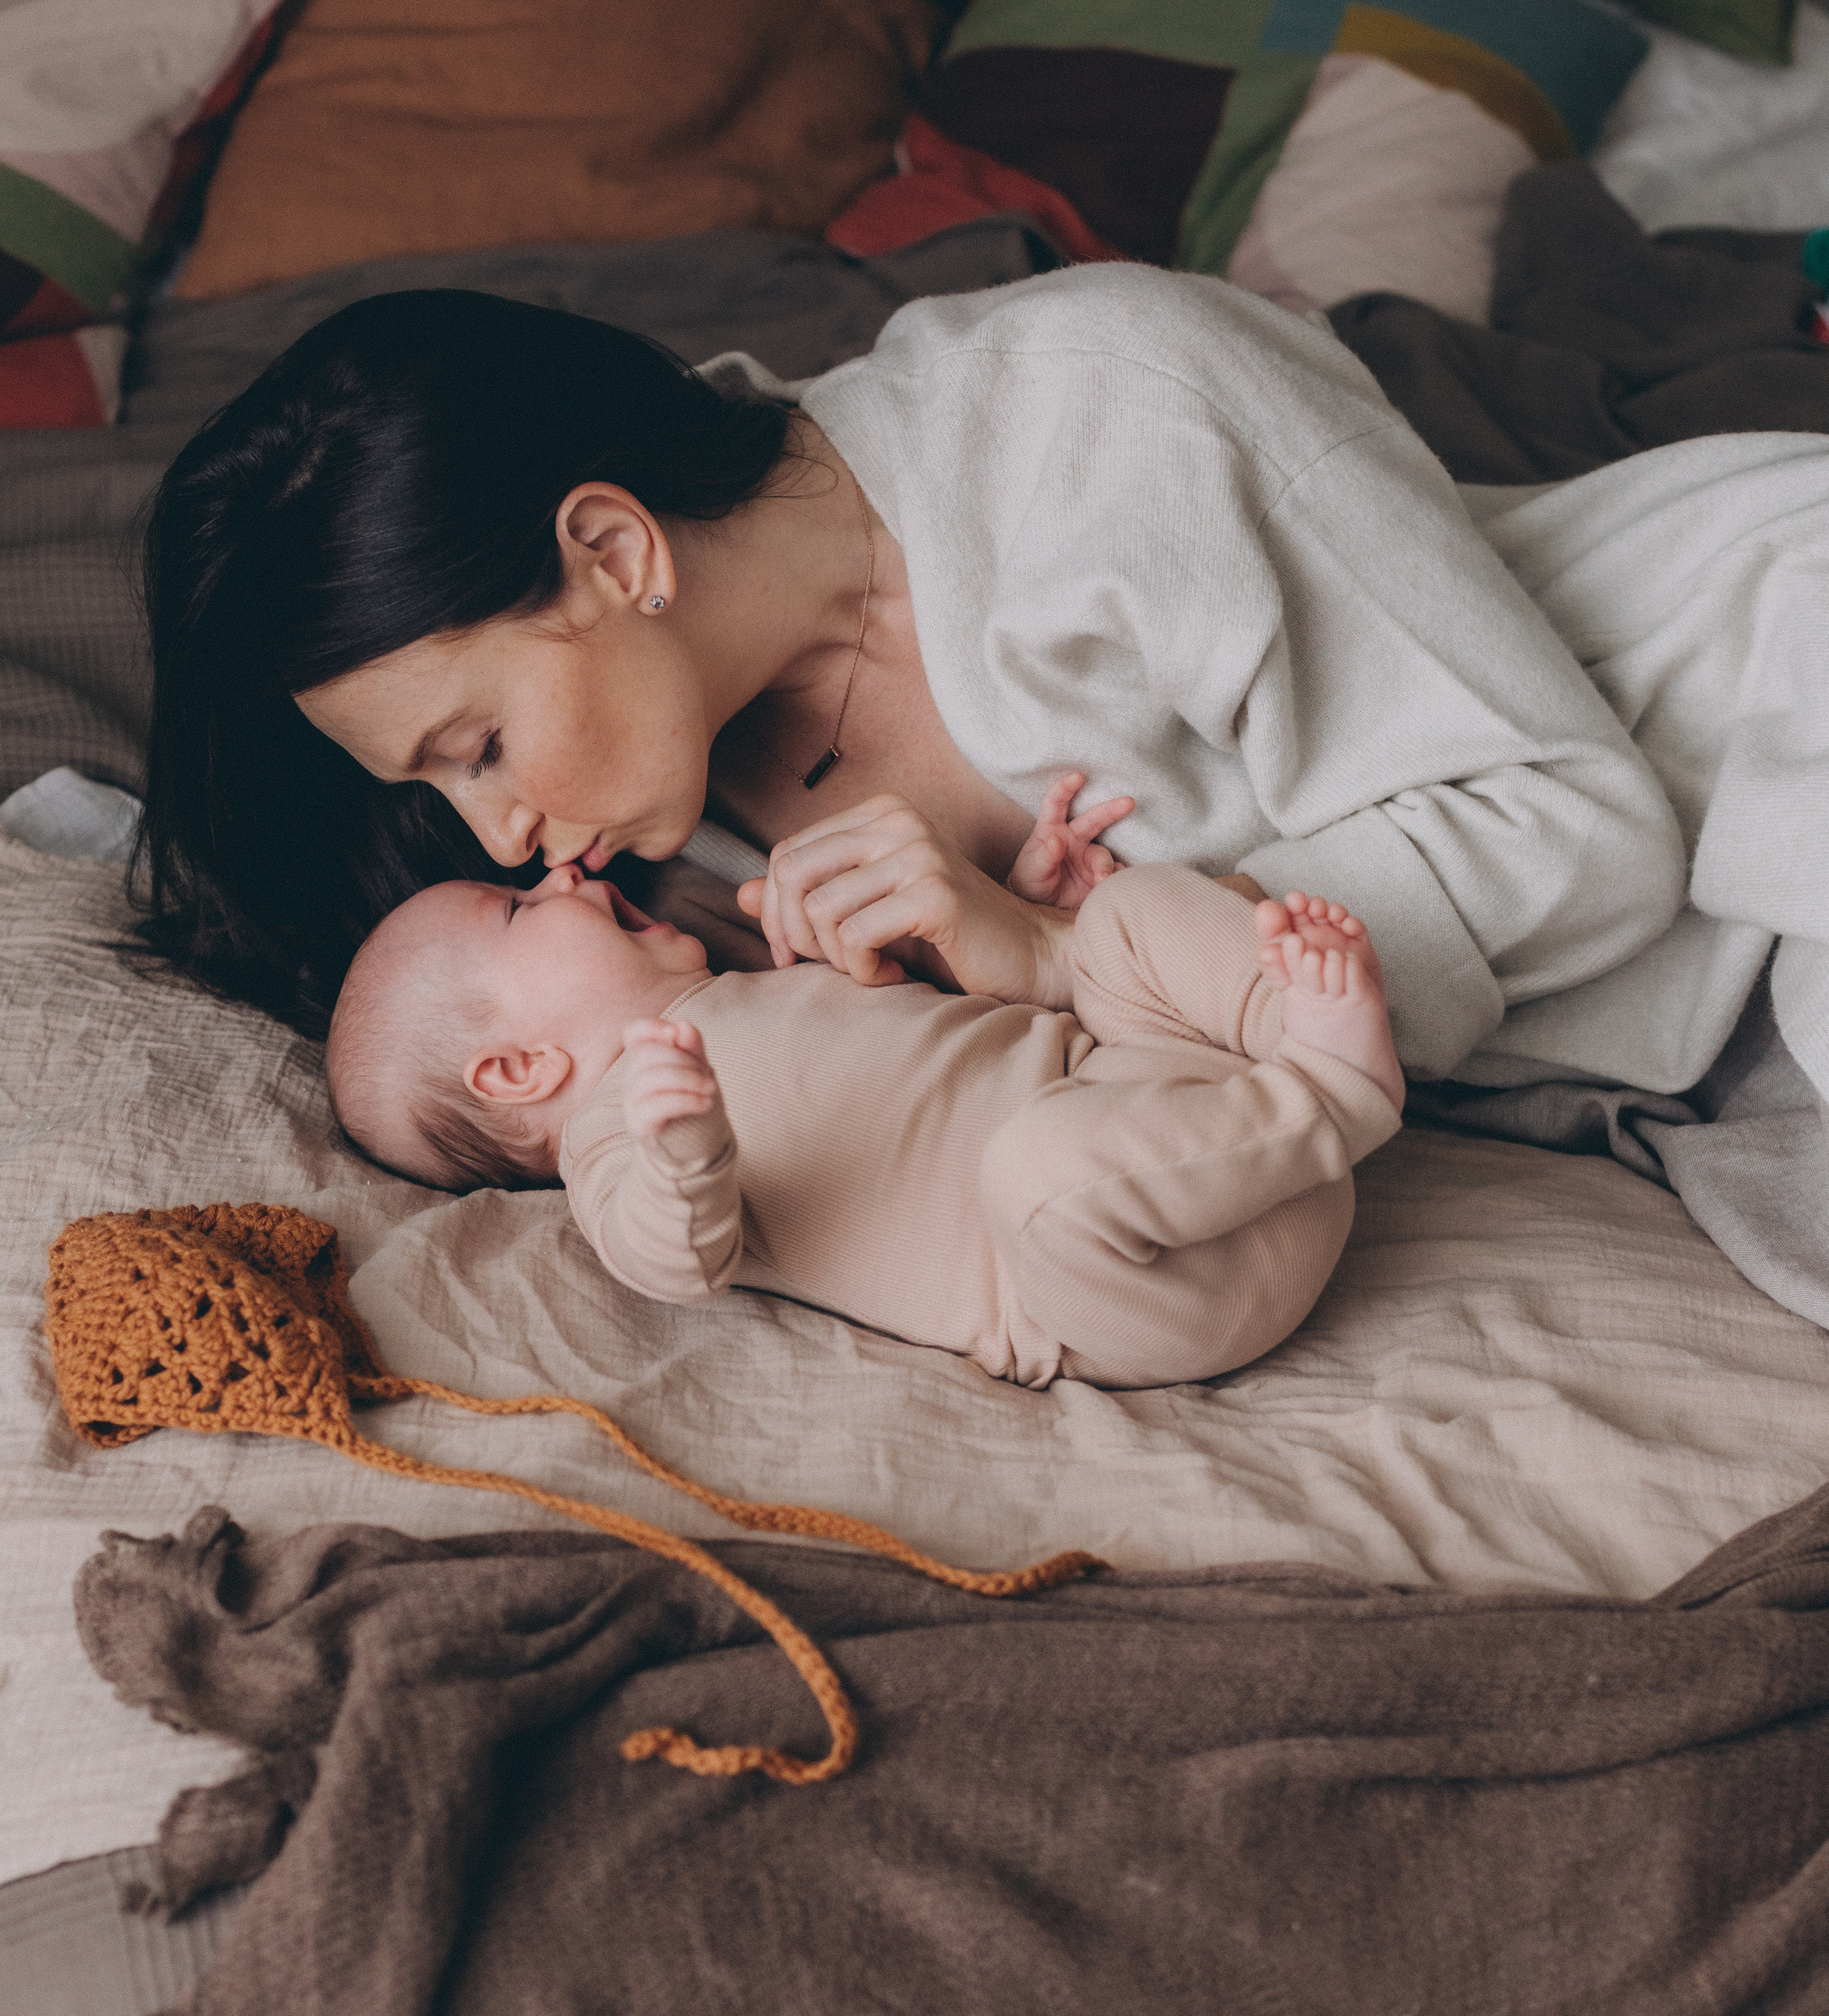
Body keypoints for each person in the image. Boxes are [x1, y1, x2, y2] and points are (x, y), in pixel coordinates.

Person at [139, 266, 1686, 1077]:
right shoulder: (670, 878)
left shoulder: (1118, 412)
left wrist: (1078, 964)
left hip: (1734, 730)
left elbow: (1582, 829)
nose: (497, 840)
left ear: (612, 552)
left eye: (474, 748)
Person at [324, 789, 1404, 1389]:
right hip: (1138, 1279)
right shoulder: (617, 1139)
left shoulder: (757, 985)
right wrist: (680, 1147)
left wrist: (1037, 922)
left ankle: (1291, 1016)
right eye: (518, 909)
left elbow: (949, 1025)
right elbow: (670, 1260)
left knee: (1126, 922)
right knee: (1036, 1170)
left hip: (1165, 1107)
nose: (559, 874)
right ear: (520, 1071)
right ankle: (1339, 1088)